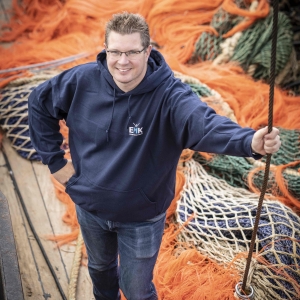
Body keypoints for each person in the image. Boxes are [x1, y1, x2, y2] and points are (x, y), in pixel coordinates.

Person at [28, 12, 281, 300]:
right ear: (106, 49)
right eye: (115, 52)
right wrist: (55, 161)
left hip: (141, 218)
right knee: (100, 271)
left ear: (148, 51)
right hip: (90, 208)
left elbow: (204, 124)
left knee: (136, 289)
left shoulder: (171, 97)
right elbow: (39, 102)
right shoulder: (81, 81)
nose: (123, 62)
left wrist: (249, 140)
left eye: (133, 52)